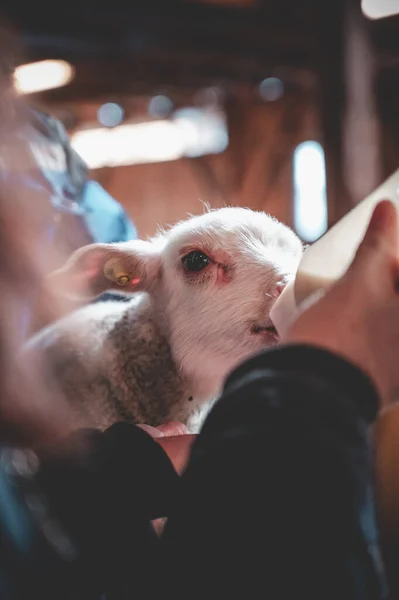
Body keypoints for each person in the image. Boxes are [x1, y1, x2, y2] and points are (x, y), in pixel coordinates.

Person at [0, 198, 398, 600]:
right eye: (197, 263)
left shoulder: (222, 398)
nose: (284, 285)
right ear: (133, 278)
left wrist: (138, 466)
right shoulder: (65, 376)